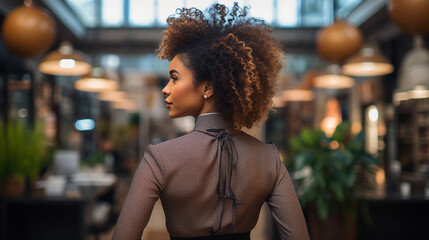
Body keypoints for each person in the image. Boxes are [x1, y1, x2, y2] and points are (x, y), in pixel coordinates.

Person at [113, 3, 309, 240]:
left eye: (174, 78)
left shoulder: (159, 158)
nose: (166, 89)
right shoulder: (268, 159)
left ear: (208, 87)